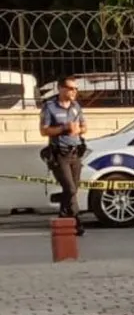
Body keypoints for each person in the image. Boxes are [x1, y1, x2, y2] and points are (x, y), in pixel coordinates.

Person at [39, 76, 87, 235]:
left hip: (75, 152)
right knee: (70, 188)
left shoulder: (76, 106)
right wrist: (64, 128)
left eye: (76, 89)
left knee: (73, 189)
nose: (74, 92)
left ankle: (64, 215)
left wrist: (77, 130)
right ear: (61, 89)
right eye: (71, 88)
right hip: (60, 153)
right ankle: (76, 221)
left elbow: (84, 127)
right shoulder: (50, 107)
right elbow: (44, 130)